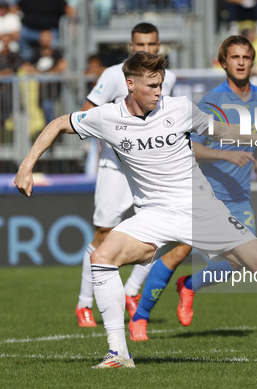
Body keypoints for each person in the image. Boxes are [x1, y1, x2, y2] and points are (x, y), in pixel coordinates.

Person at [14, 50, 257, 369]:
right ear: (130, 84)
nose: (160, 92)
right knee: (103, 257)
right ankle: (118, 353)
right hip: (154, 214)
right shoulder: (106, 117)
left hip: (199, 208)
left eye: (161, 84)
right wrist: (26, 166)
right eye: (152, 86)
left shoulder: (178, 108)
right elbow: (59, 123)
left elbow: (222, 132)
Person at [127, 35, 257, 341]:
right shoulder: (211, 102)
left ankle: (189, 285)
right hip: (204, 192)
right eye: (235, 57)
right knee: (178, 252)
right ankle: (140, 319)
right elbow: (190, 148)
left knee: (240, 262)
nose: (242, 62)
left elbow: (254, 136)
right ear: (223, 63)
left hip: (238, 195)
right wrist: (225, 154)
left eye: (246, 56)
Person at [73, 22, 189, 328]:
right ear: (130, 46)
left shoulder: (169, 78)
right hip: (115, 167)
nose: (146, 50)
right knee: (103, 234)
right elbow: (87, 112)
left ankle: (130, 292)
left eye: (152, 45)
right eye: (140, 45)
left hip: (151, 170)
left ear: (159, 45)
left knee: (164, 237)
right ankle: (85, 304)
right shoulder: (114, 75)